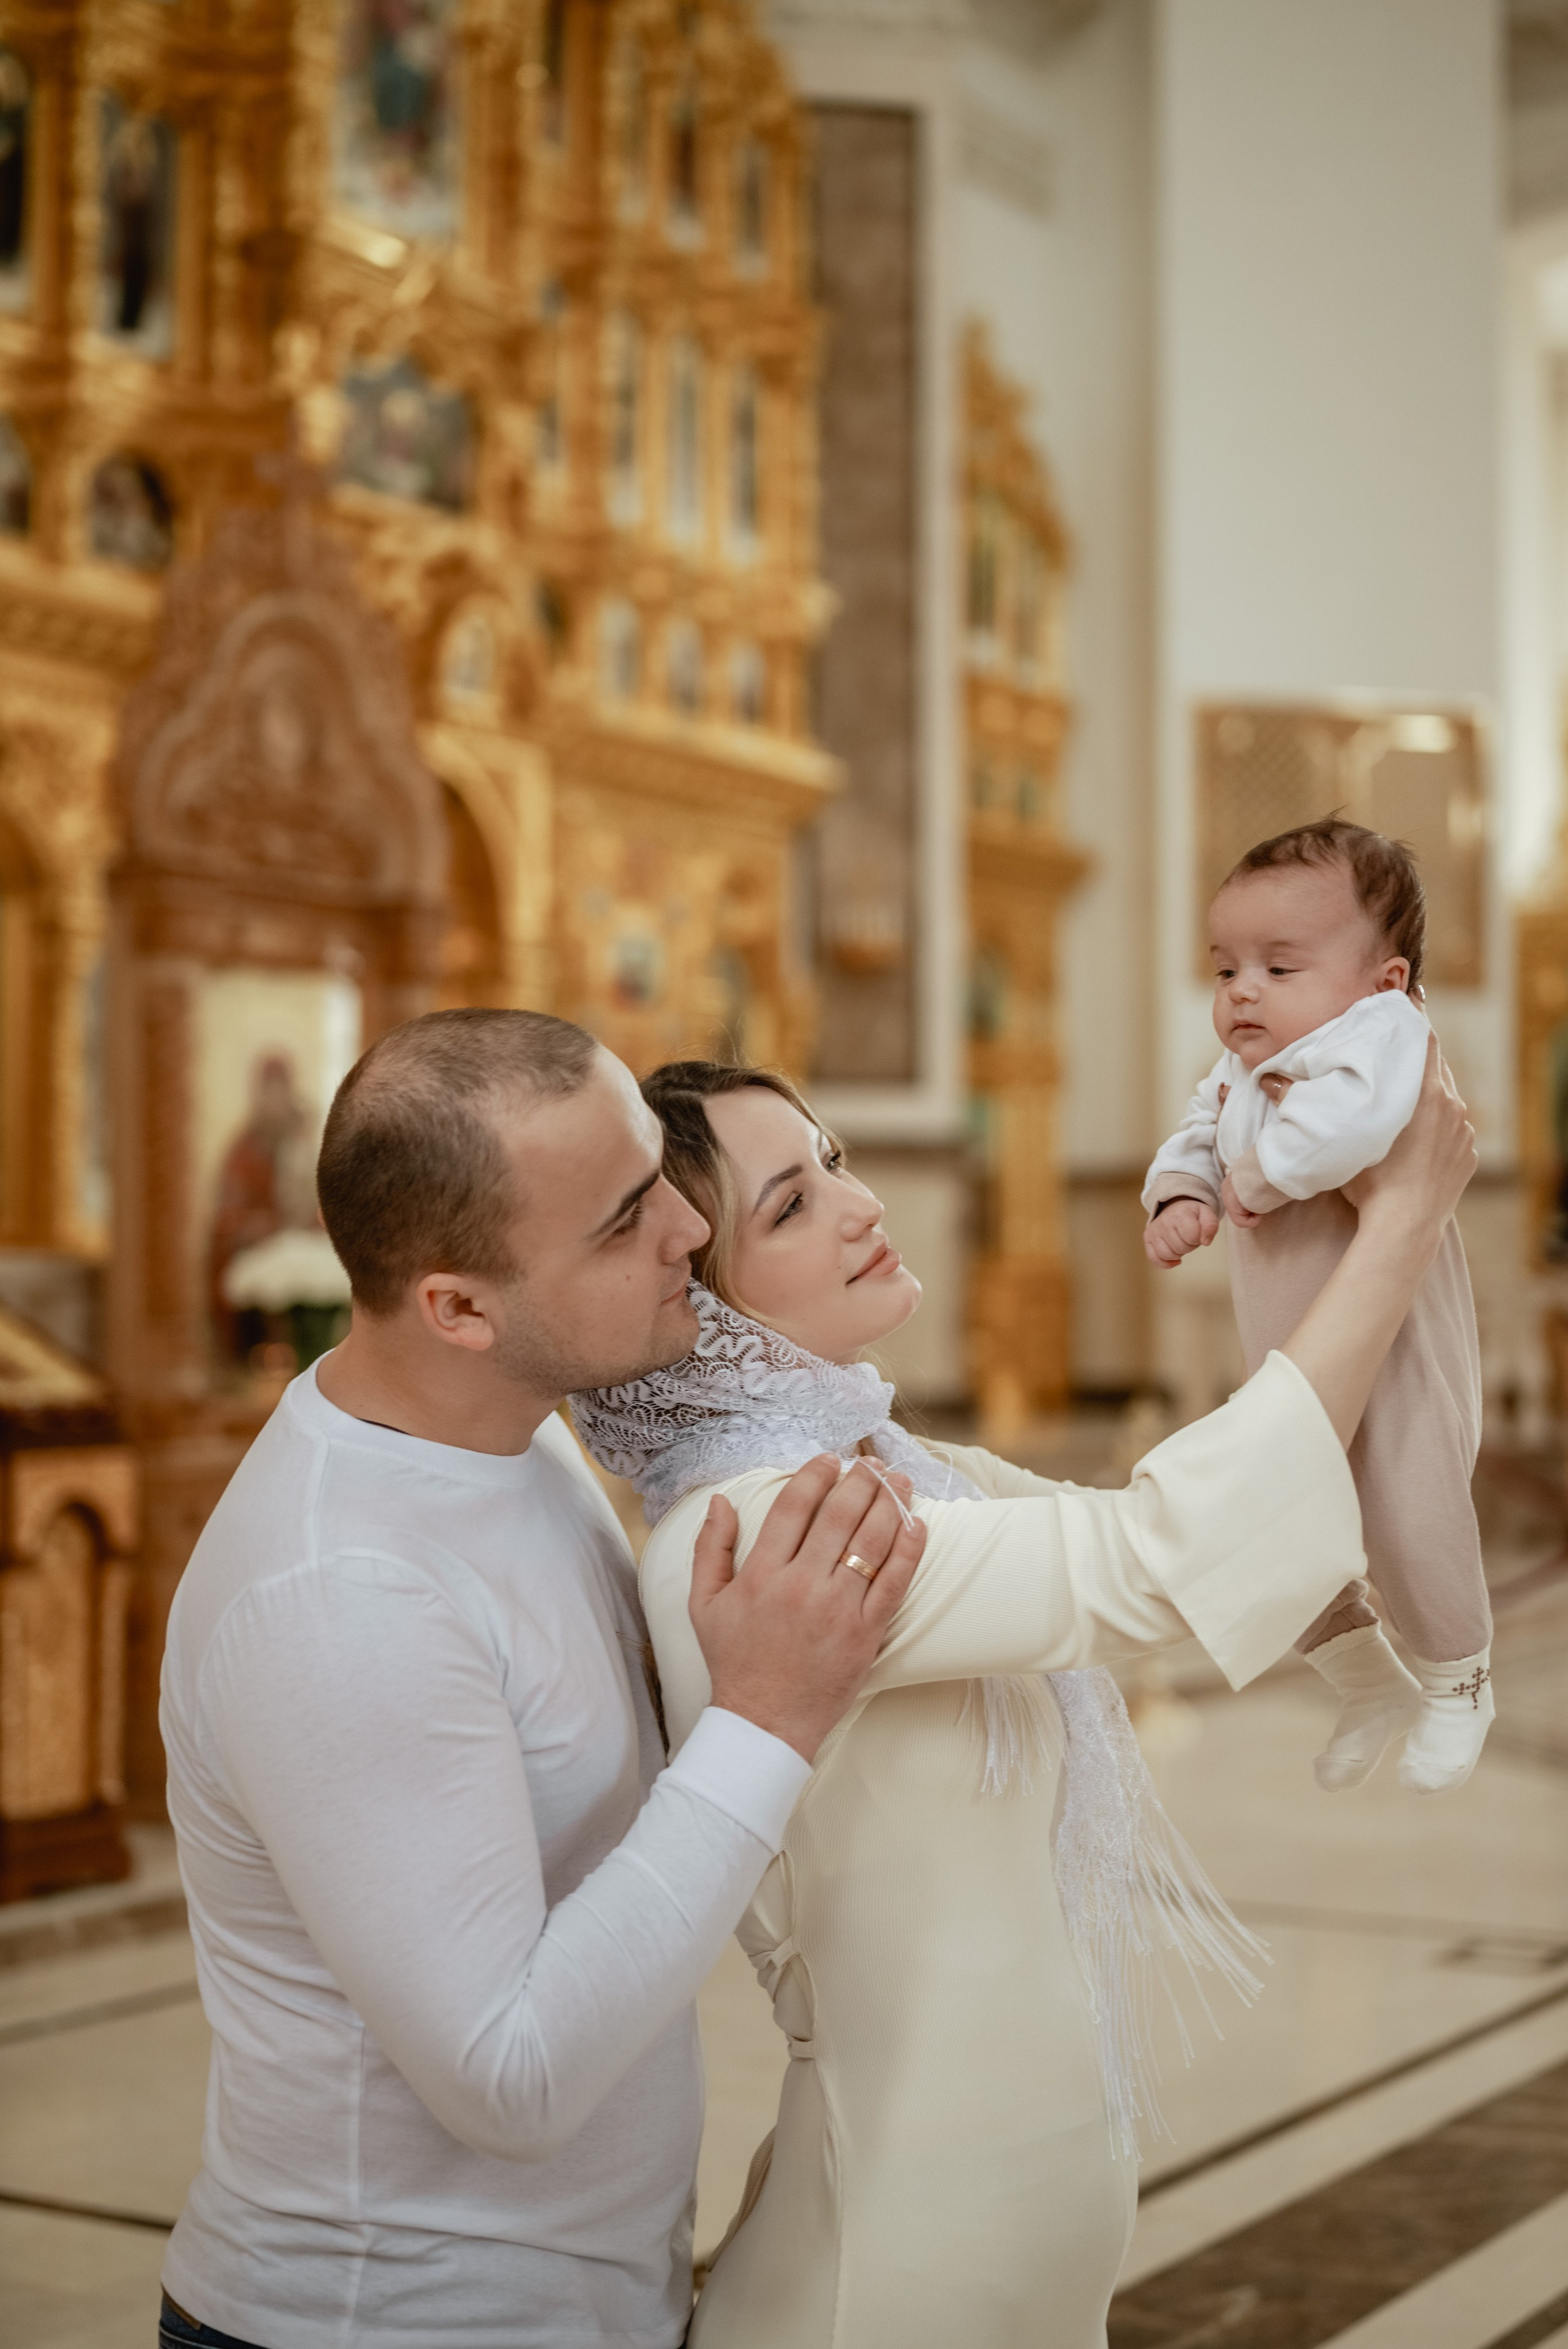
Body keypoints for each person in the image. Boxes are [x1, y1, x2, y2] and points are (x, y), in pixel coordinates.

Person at [571, 1046, 1476, 2349]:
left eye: (831, 1160)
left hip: (996, 2226)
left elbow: (1145, 1531)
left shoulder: (889, 1466)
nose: (860, 1202)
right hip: (892, 2268)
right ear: (701, 1302)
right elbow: (1157, 1563)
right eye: (788, 1204)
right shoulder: (769, 1529)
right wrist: (1394, 1230)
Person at [157, 1009, 929, 2349]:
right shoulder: (341, 1592)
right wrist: (764, 1717)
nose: (691, 1231)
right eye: (627, 1216)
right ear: (458, 1306)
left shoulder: (519, 1430)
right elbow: (507, 2073)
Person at [1142, 818, 1491, 1795]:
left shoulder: (1387, 1035)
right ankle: (1365, 1678)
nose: (1243, 990)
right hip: (1295, 1354)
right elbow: (1197, 1130)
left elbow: (1354, 1124)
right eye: (1225, 969)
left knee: (1413, 1514)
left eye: (1279, 966)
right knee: (1274, 1524)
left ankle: (1460, 1681)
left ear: (1383, 980)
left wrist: (1261, 1177)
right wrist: (1182, 1192)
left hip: (1399, 1350)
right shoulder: (1240, 1071)